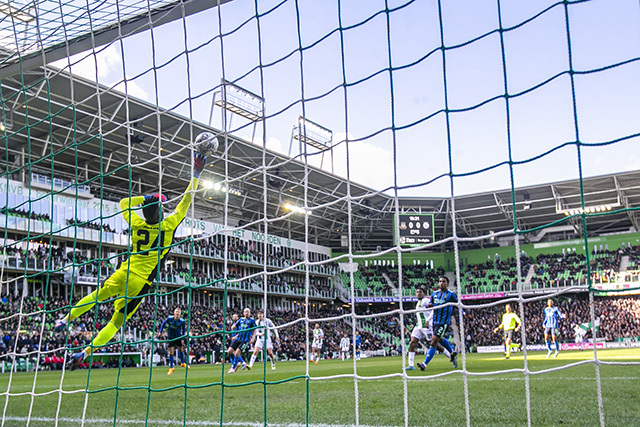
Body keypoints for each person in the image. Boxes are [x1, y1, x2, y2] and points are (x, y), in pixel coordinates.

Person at [55, 153, 207, 369]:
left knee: (96, 296)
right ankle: (85, 353)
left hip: (123, 272)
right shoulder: (169, 225)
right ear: (161, 213)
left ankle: (64, 319)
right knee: (115, 323)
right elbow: (187, 200)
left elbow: (123, 202)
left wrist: (148, 198)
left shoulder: (136, 222)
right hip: (140, 283)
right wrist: (196, 173)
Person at [404, 287, 455, 371]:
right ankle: (411, 365)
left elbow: (434, 309)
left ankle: (451, 356)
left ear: (424, 294)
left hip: (427, 327)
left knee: (435, 344)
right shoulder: (418, 302)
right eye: (417, 292)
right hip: (418, 326)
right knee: (412, 343)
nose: (418, 293)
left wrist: (428, 320)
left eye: (420, 292)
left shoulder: (426, 301)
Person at [420, 277, 458, 370]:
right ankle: (452, 353)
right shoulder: (434, 294)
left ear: (447, 284)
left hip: (443, 322)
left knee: (433, 341)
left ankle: (424, 364)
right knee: (439, 339)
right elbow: (430, 304)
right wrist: (429, 305)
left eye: (443, 282)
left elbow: (457, 304)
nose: (441, 283)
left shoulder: (451, 294)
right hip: (435, 322)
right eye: (440, 281)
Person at [226, 308, 256, 373]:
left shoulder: (252, 321)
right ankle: (238, 363)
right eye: (245, 312)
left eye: (248, 312)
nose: (247, 313)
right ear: (243, 313)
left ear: (250, 313)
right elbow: (235, 325)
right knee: (229, 351)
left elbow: (255, 329)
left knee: (237, 353)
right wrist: (233, 327)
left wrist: (253, 337)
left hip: (245, 340)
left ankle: (233, 367)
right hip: (238, 339)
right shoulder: (241, 319)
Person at [159, 308, 188, 375]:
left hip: (178, 337)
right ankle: (171, 367)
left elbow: (183, 330)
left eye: (178, 312)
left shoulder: (182, 321)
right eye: (176, 312)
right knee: (171, 352)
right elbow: (163, 323)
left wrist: (182, 339)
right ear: (174, 313)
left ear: (180, 314)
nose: (177, 313)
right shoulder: (169, 318)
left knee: (181, 350)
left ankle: (183, 363)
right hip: (171, 337)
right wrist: (160, 331)